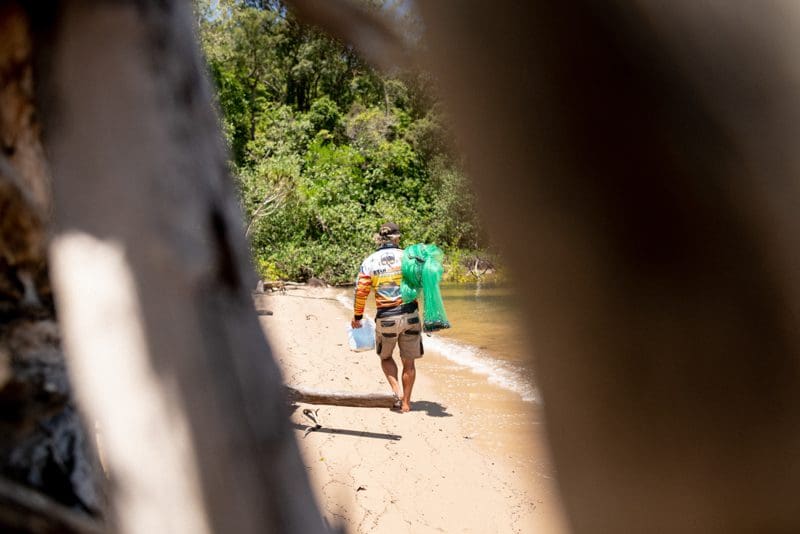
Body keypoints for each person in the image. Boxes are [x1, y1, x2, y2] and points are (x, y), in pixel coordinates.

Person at [351, 222, 422, 412]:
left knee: (386, 357)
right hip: (410, 315)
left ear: (379, 238)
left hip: (386, 318)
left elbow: (361, 291)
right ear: (397, 238)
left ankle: (397, 393)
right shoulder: (408, 256)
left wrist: (357, 316)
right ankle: (406, 403)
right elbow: (421, 281)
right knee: (409, 361)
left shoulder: (370, 261)